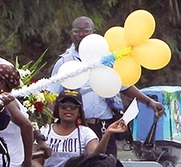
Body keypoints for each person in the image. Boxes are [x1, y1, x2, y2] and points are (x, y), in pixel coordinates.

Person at [49, 16, 165, 155]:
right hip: (77, 127)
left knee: (108, 164)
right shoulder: (65, 62)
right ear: (71, 34)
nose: (81, 35)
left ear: (93, 33)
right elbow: (52, 96)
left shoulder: (108, 59)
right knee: (82, 166)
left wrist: (149, 102)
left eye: (85, 31)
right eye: (76, 31)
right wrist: (51, 127)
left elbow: (124, 85)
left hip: (105, 125)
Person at [31, 89, 128, 167]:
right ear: (57, 109)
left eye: (73, 106)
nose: (68, 109)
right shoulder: (44, 130)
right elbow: (34, 160)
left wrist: (108, 133)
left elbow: (95, 157)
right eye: (64, 106)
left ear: (79, 111)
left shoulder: (86, 133)